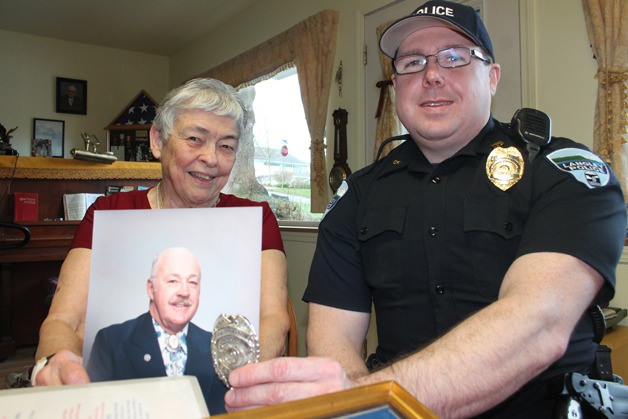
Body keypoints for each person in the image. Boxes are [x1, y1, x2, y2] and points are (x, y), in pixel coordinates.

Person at [223, 1, 626, 417]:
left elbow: (538, 326)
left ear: (492, 77)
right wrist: (361, 408)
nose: (432, 75)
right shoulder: (356, 198)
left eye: (455, 57)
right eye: (412, 63)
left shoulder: (562, 171)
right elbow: (333, 345)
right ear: (396, 85)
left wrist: (373, 396)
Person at [33, 78, 289, 391]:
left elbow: (273, 320)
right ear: (157, 141)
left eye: (226, 146)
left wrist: (241, 380)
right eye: (195, 138)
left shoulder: (257, 220)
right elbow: (64, 320)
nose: (211, 158)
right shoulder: (108, 214)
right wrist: (56, 362)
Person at [86, 247, 227, 414]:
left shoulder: (217, 347)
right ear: (151, 288)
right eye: (173, 281)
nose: (184, 291)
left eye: (192, 282)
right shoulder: (111, 342)